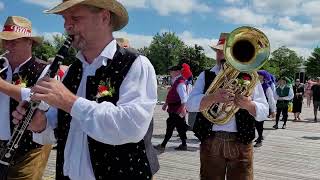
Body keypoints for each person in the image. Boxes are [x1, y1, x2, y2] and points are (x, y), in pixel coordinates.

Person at [13, 1, 159, 179]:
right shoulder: (73, 71)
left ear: (104, 17)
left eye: (75, 17)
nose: (67, 26)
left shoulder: (136, 64)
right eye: (64, 19)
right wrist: (40, 124)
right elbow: (62, 127)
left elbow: (131, 127)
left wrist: (68, 101)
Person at [186, 32, 269, 179]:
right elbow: (190, 105)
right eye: (218, 52)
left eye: (225, 51)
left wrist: (249, 105)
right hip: (211, 140)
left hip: (242, 142)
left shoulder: (250, 76)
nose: (221, 56)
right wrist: (212, 97)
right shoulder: (205, 75)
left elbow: (264, 110)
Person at [0, 16, 52, 179]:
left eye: (14, 41)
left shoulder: (45, 69)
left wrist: (2, 85)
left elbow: (39, 99)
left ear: (29, 42)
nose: (8, 46)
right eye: (5, 41)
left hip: (30, 149)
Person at [154, 65, 189, 152]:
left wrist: (182, 110)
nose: (170, 73)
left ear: (177, 72)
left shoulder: (180, 83)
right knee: (180, 127)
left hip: (176, 110)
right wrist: (166, 104)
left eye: (172, 71)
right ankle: (184, 144)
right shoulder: (176, 81)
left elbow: (184, 99)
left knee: (170, 125)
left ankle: (163, 145)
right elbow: (172, 95)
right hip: (174, 109)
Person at [254, 70, 276, 147]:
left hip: (262, 107)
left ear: (264, 77)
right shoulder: (253, 84)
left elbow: (271, 98)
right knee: (255, 124)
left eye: (260, 75)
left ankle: (259, 140)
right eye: (258, 75)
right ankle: (259, 136)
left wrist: (273, 110)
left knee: (259, 124)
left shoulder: (266, 86)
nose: (258, 76)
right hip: (253, 107)